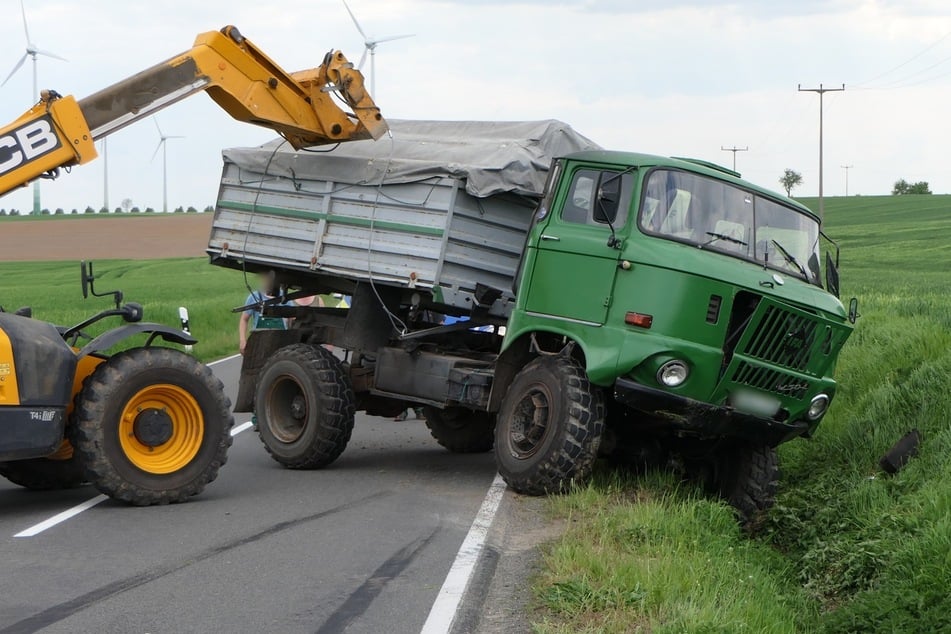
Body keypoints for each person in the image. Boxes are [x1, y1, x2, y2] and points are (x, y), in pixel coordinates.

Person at [239, 273, 286, 355]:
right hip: (258, 343)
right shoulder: (254, 297)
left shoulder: (285, 297)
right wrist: (242, 340)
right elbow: (244, 319)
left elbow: (293, 319)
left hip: (280, 342)